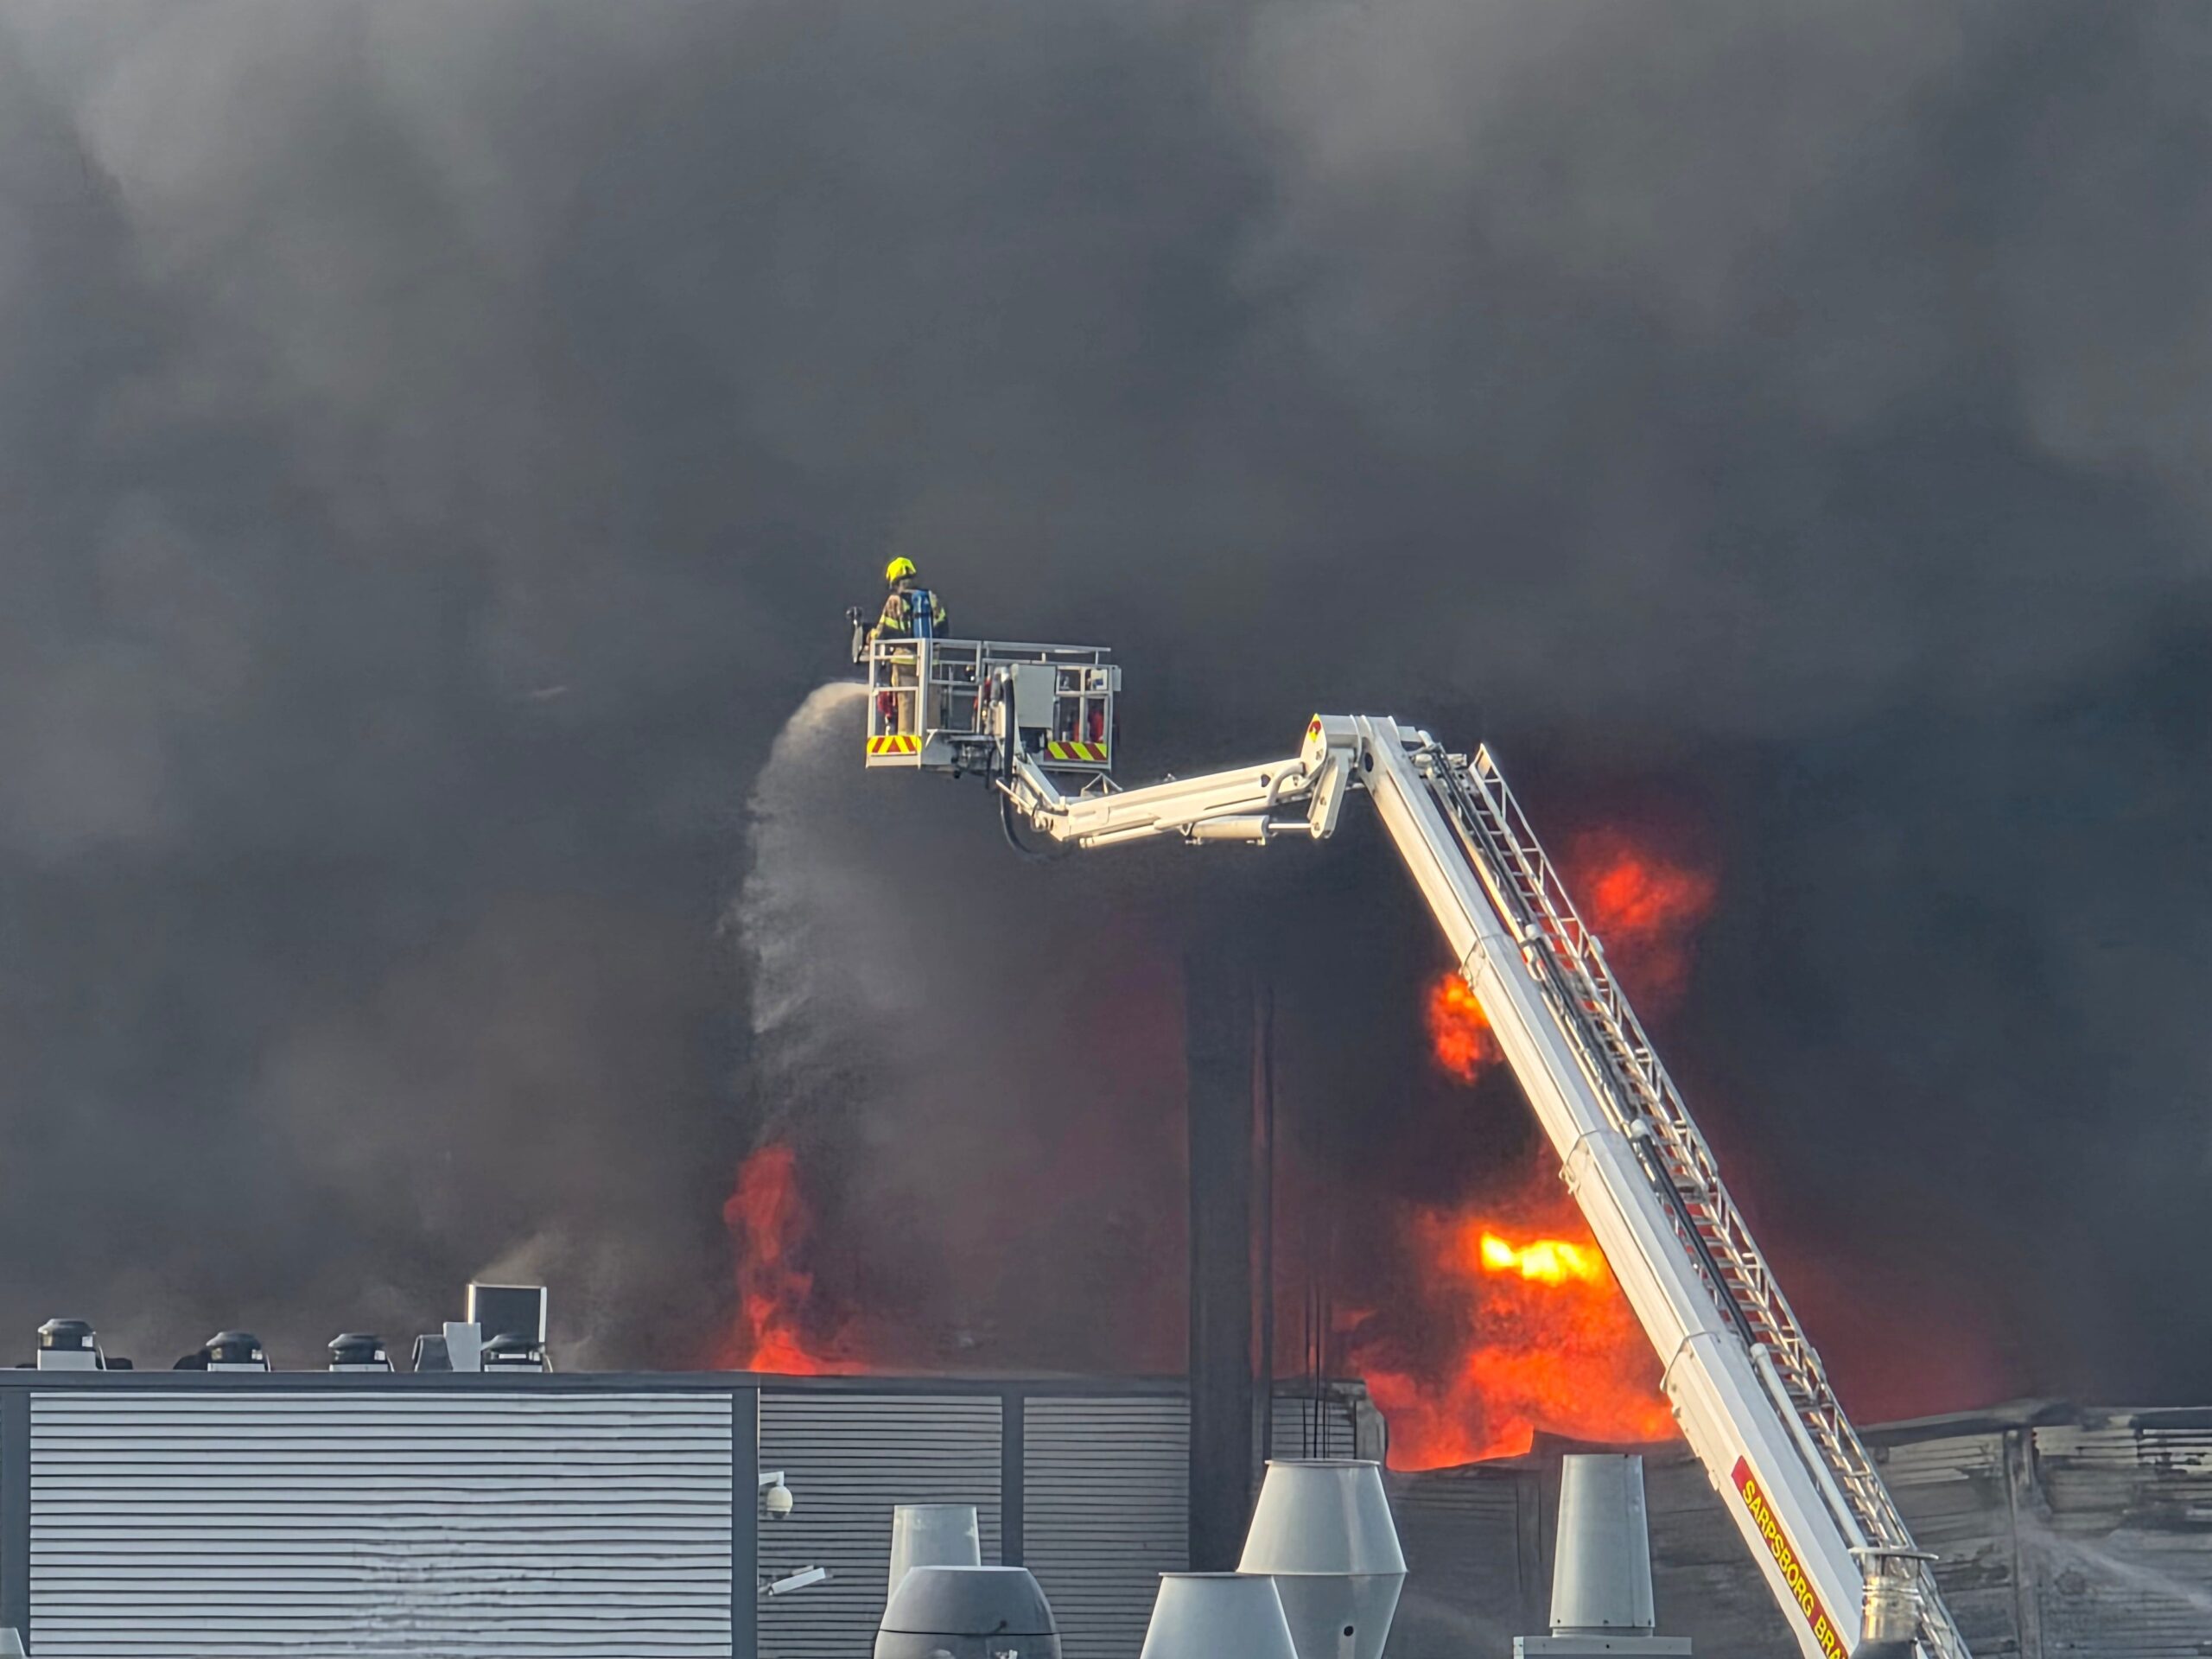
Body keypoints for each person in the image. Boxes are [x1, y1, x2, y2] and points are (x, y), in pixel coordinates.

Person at [869, 557, 949, 734]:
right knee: (931, 700)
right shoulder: (931, 599)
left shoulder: (894, 602)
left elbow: (882, 633)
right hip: (930, 662)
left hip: (904, 662)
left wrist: (869, 637)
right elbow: (943, 629)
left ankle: (907, 734)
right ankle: (932, 735)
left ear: (894, 581)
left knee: (907, 700)